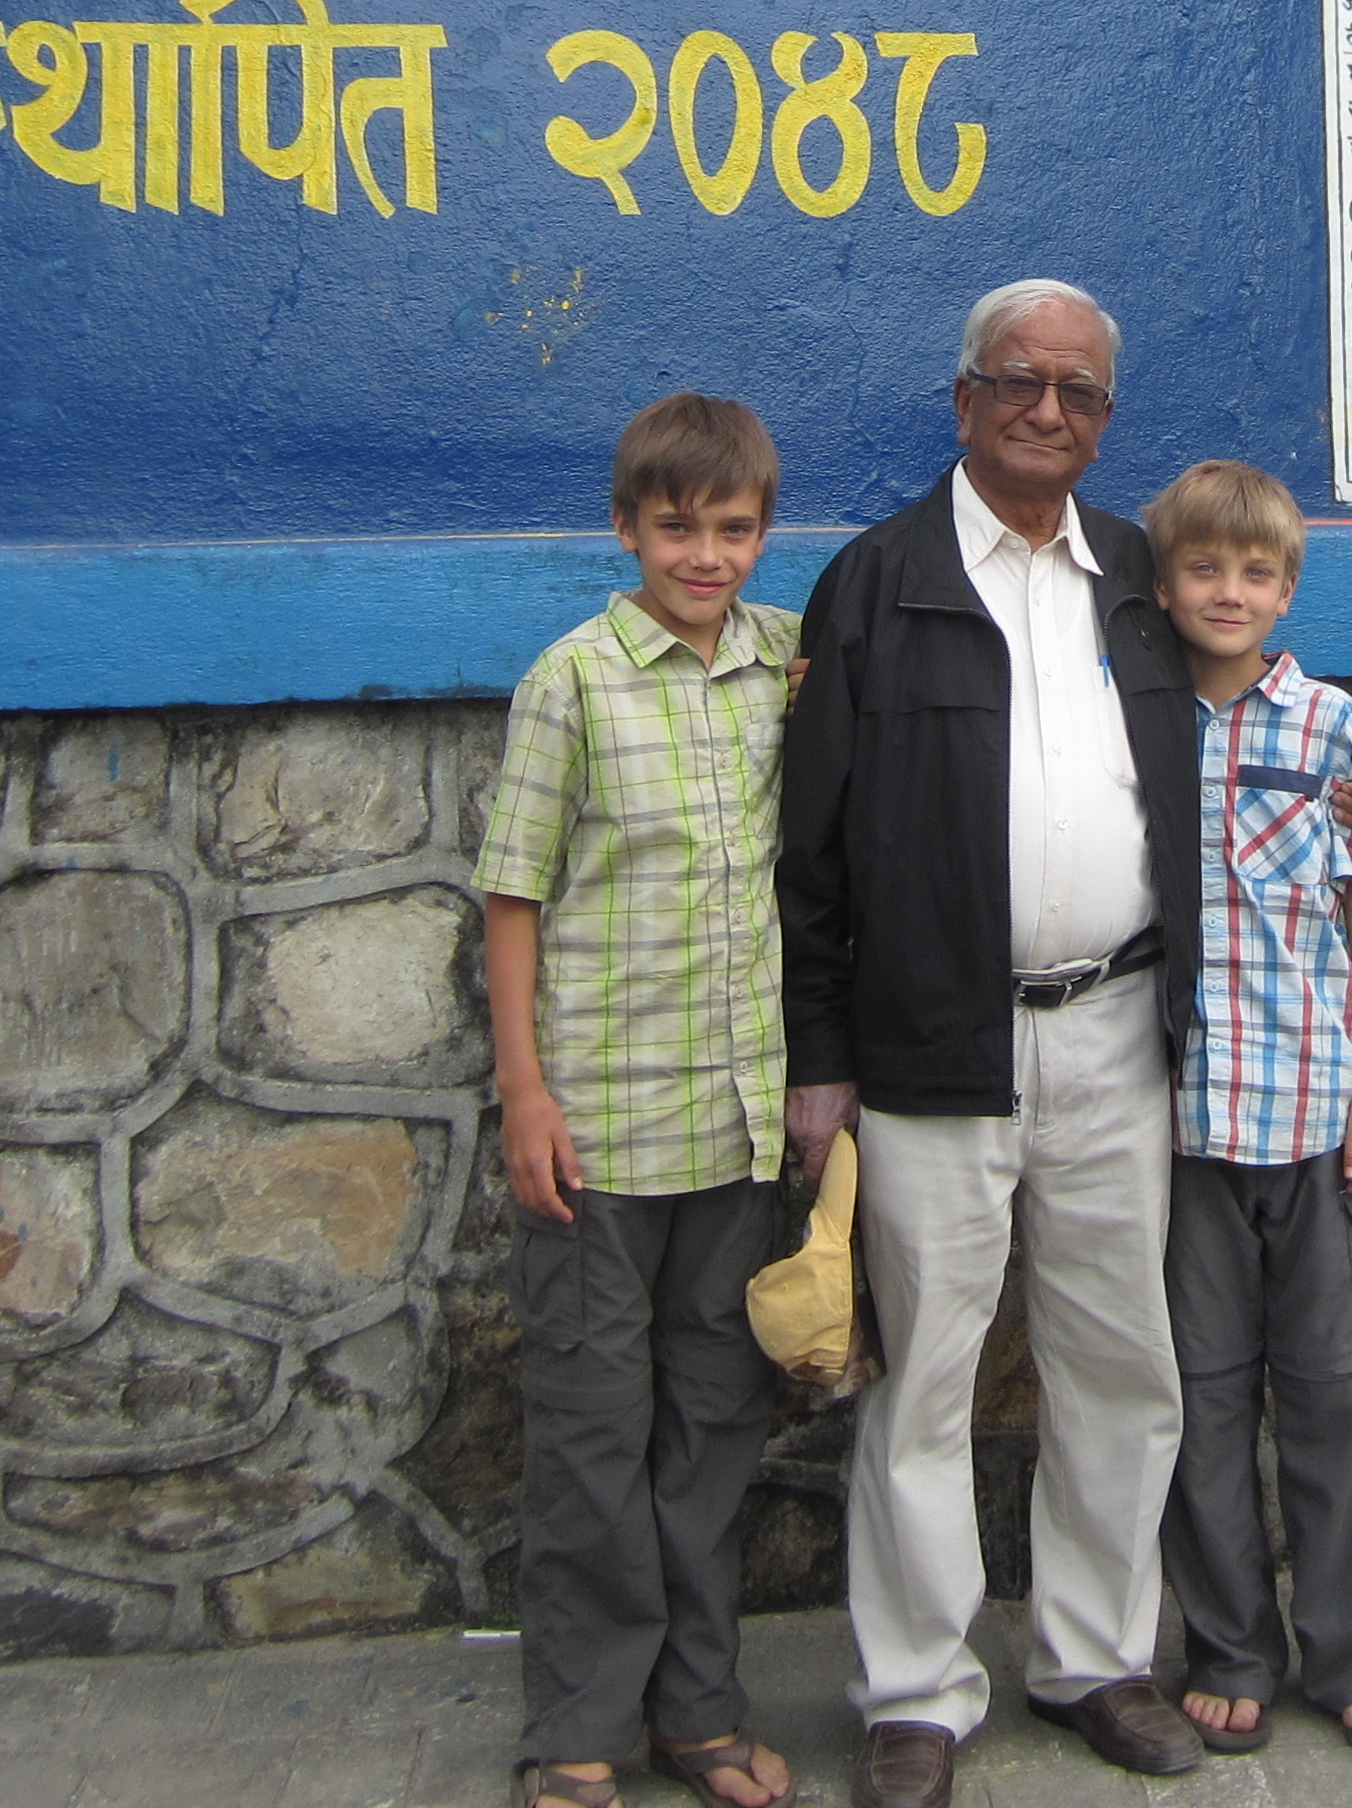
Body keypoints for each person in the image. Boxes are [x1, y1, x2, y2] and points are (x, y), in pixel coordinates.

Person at [777, 279, 1352, 1808]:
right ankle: (918, 1694)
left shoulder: (1139, 575)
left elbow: (1258, 726)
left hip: (1126, 1033)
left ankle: (1094, 1658)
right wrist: (819, 1055)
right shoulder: (878, 582)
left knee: (1123, 1365)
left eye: (1077, 391)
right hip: (930, 1045)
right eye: (1019, 382)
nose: (1047, 410)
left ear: (1105, 419)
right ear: (965, 399)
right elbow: (810, 846)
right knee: (924, 1378)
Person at [476, 392, 803, 1808]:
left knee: (712, 1434)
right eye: (677, 529)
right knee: (593, 1439)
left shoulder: (786, 661)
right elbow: (513, 893)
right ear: (625, 529)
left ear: (763, 534)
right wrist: (524, 1092)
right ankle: (580, 1731)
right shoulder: (574, 680)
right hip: (600, 1136)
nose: (705, 556)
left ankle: (699, 1713)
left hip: (736, 1130)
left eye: (732, 530)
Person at [1143, 460, 1352, 1763]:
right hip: (1180, 1129)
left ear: (1288, 590)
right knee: (1199, 1404)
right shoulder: (1133, 719)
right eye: (1204, 568)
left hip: (1315, 1115)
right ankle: (1232, 1648)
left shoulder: (1332, 729)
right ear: (1162, 584)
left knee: (1338, 1397)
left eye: (1255, 573)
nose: (1228, 592)